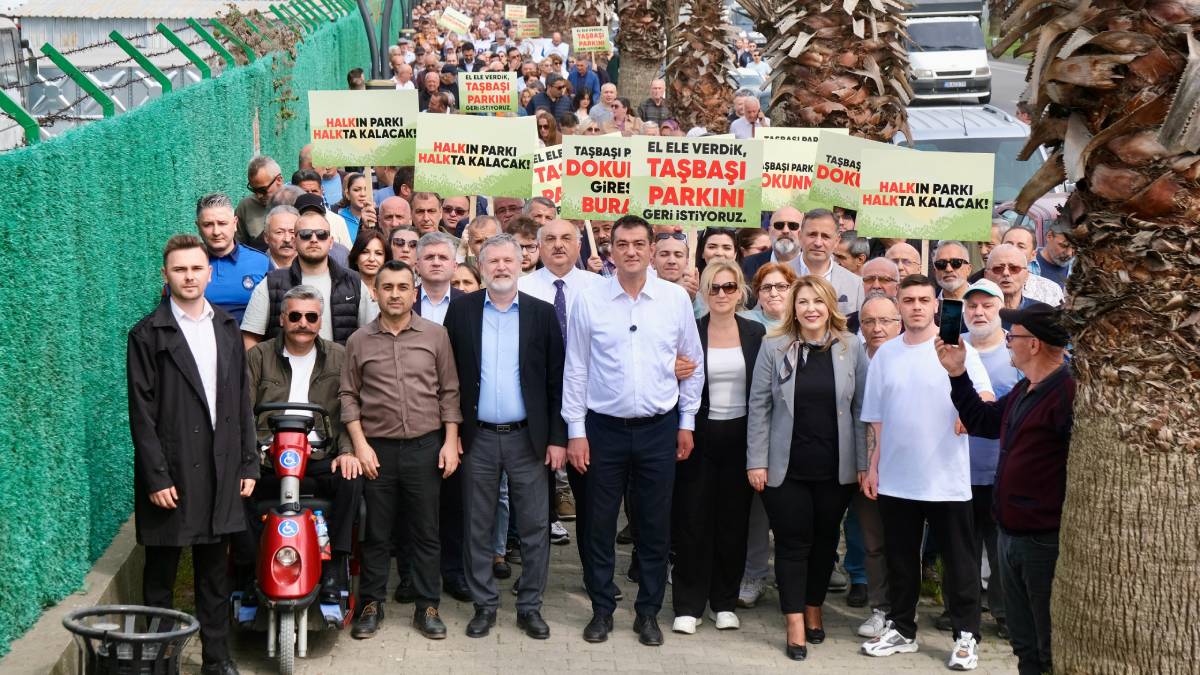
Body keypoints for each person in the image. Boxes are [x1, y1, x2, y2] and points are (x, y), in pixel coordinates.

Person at [563, 215, 704, 646]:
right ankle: (602, 609)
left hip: (659, 429)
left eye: (639, 244)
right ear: (611, 250)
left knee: (654, 525)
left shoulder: (675, 299)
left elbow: (691, 363)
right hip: (603, 429)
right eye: (621, 244)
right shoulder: (589, 299)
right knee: (599, 525)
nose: (630, 251)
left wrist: (686, 421)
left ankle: (648, 613)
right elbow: (577, 368)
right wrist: (576, 430)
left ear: (650, 248)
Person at [127, 234, 258, 675]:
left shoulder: (225, 326)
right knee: (161, 575)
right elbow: (141, 414)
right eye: (179, 269)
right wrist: (156, 477)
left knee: (213, 575)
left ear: (208, 272)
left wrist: (247, 461)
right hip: (173, 472)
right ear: (165, 276)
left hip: (221, 469)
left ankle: (216, 661)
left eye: (196, 268)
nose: (188, 276)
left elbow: (241, 401)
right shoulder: (147, 334)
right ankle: (159, 661)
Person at [860, 275, 993, 670]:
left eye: (923, 299)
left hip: (946, 480)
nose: (916, 306)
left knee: (960, 562)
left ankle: (966, 635)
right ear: (898, 306)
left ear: (936, 305)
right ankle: (902, 629)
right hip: (897, 478)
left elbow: (984, 396)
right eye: (908, 300)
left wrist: (972, 413)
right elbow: (876, 419)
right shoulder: (885, 355)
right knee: (900, 559)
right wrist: (873, 466)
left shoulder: (959, 348)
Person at [935, 302, 1073, 675]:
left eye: (1014, 337)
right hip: (1011, 533)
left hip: (1042, 538)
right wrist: (958, 374)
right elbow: (982, 420)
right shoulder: (1026, 388)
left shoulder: (1066, 392)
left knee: (1046, 644)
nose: (1008, 341)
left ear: (1034, 345)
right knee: (1024, 643)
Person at [443, 234, 566, 640]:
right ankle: (485, 605)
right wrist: (453, 432)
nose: (500, 267)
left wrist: (556, 439)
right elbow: (449, 380)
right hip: (477, 438)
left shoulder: (542, 314)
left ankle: (530, 606)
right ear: (480, 267)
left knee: (534, 526)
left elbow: (555, 381)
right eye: (492, 260)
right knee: (477, 525)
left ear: (520, 265)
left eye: (507, 260)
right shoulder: (461, 312)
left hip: (527, 438)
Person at [746, 275, 868, 661]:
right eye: (802, 302)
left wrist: (864, 465)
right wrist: (756, 461)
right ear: (792, 308)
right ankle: (795, 619)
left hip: (836, 470)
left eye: (817, 301)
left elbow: (861, 412)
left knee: (825, 541)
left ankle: (814, 606)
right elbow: (760, 407)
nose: (810, 308)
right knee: (793, 543)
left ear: (830, 304)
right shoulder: (773, 347)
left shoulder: (852, 347)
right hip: (786, 469)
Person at [341, 260, 463, 640]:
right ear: (374, 293)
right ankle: (372, 605)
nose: (395, 294)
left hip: (426, 448)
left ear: (415, 292)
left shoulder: (435, 335)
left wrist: (451, 441)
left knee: (426, 531)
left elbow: (449, 391)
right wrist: (360, 446)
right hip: (377, 451)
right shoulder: (359, 341)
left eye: (402, 287)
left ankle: (427, 606)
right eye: (387, 287)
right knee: (377, 533)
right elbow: (348, 396)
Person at [243, 285, 365, 604]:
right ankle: (249, 566)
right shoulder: (258, 356)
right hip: (269, 457)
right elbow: (242, 409)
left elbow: (347, 410)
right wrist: (250, 453)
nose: (303, 323)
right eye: (295, 315)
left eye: (311, 317)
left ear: (320, 320)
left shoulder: (339, 357)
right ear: (283, 318)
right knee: (235, 486)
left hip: (318, 454)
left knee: (352, 479)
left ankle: (337, 563)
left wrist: (348, 452)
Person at [671, 260, 765, 635]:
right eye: (714, 288)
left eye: (729, 287)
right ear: (704, 293)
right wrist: (671, 368)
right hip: (698, 433)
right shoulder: (690, 331)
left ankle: (723, 601)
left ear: (740, 290)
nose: (722, 294)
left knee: (733, 522)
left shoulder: (756, 332)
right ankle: (688, 605)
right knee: (693, 521)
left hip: (742, 435)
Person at [933, 279, 1021, 638]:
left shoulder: (1015, 352)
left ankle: (1004, 613)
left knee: (1001, 550)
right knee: (958, 549)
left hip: (1001, 471)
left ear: (1001, 308)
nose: (978, 312)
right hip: (955, 471)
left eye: (987, 305)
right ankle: (958, 608)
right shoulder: (949, 348)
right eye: (972, 307)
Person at [518, 218, 605, 567]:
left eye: (567, 238)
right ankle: (532, 574)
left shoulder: (599, 287)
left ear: (579, 244)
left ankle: (594, 572)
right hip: (537, 406)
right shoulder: (522, 287)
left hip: (588, 403)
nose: (558, 245)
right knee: (534, 499)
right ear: (538, 246)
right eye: (549, 238)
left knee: (591, 498)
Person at [241, 211, 373, 347]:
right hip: (285, 367)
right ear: (295, 241)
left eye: (321, 234)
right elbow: (251, 336)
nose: (314, 239)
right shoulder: (271, 283)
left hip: (342, 367)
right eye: (306, 234)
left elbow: (371, 336)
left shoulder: (353, 282)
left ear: (331, 242)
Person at [851, 293, 902, 639]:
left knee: (903, 543)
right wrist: (865, 464)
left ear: (898, 323)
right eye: (869, 321)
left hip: (905, 467)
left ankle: (903, 611)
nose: (877, 328)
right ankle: (881, 608)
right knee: (873, 543)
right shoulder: (852, 357)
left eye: (885, 321)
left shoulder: (910, 355)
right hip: (864, 466)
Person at [195, 193, 270, 322]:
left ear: (235, 223)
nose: (216, 232)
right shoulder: (187, 265)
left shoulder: (261, 262)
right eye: (208, 225)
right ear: (198, 227)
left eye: (222, 223)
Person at [793, 208, 863, 319]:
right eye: (812, 235)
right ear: (800, 236)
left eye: (825, 236)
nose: (818, 243)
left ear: (836, 241)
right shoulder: (778, 275)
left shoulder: (855, 284)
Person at [1000, 225, 1064, 306]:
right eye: (1008, 244)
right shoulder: (985, 281)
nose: (1013, 249)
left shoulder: (1050, 290)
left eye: (1021, 246)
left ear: (1033, 255)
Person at [742, 206, 804, 281]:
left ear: (803, 232)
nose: (785, 230)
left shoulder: (815, 265)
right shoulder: (747, 265)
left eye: (793, 226)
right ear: (769, 231)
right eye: (779, 225)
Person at [985, 244, 1039, 327]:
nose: (1006, 273)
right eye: (998, 269)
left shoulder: (1039, 314)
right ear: (986, 275)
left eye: (1014, 268)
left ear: (1026, 275)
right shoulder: (975, 315)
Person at [414, 232, 462, 325]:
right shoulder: (405, 299)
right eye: (429, 257)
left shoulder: (468, 303)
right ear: (417, 266)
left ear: (455, 266)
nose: (436, 263)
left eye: (443, 257)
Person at [236, 156, 284, 242]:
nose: (259, 196)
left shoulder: (296, 201)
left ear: (279, 180)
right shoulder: (245, 207)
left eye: (263, 190)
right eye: (254, 190)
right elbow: (238, 247)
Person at [349, 229, 390, 308]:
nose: (371, 259)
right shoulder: (344, 290)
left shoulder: (392, 291)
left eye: (378, 253)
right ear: (356, 257)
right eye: (365, 252)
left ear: (385, 259)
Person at [1031, 218, 1074, 291]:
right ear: (1049, 236)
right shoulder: (1028, 264)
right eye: (1064, 245)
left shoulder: (1078, 269)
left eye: (1074, 248)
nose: (1069, 253)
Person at [334, 172, 379, 241]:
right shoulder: (338, 219)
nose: (362, 194)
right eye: (356, 190)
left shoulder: (379, 216)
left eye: (366, 189)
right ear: (347, 194)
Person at [263, 205, 299, 270]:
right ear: (266, 237)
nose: (287, 239)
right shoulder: (255, 268)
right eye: (279, 232)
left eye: (292, 232)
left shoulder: (313, 267)